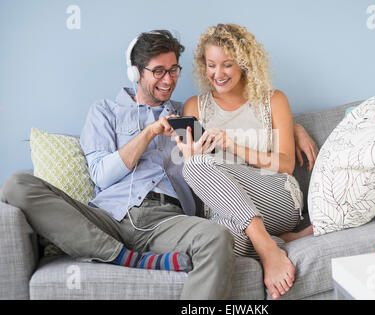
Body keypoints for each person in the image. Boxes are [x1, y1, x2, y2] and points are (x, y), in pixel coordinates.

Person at [1, 30, 236, 300]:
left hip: (166, 220)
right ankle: (126, 257)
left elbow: (230, 140)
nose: (168, 80)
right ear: (136, 73)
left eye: (173, 70)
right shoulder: (105, 111)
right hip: (107, 218)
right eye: (158, 71)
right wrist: (149, 132)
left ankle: (125, 255)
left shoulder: (186, 114)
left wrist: (296, 133)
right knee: (16, 185)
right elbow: (101, 176)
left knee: (217, 237)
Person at [175, 23, 317, 300]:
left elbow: (285, 165)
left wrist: (233, 145)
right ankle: (278, 242)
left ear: (244, 63)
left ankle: (266, 249)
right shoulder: (194, 106)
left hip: (277, 195)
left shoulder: (273, 100)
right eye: (211, 65)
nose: (218, 74)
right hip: (225, 212)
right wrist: (192, 158)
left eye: (227, 65)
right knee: (217, 237)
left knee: (197, 166)